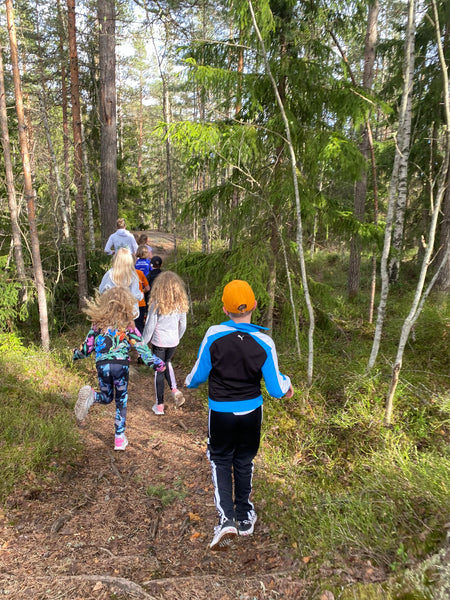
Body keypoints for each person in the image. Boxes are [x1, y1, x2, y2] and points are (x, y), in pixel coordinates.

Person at [185, 279, 293, 551]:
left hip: (220, 413)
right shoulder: (264, 341)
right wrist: (288, 386)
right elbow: (276, 388)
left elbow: (198, 375)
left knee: (221, 460)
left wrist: (188, 383)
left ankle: (226, 520)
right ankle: (245, 516)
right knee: (244, 460)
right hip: (251, 412)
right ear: (254, 305)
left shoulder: (213, 335)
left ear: (224, 309)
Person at [73, 287, 165, 451]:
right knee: (120, 401)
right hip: (120, 367)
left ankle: (92, 397)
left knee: (107, 397)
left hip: (102, 366)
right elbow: (142, 349)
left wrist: (75, 355)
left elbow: (86, 349)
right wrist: (158, 364)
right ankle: (119, 439)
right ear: (126, 305)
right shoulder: (128, 326)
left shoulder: (97, 326)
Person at [142, 271, 189, 415]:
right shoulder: (180, 304)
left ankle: (160, 405)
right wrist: (177, 338)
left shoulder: (156, 304)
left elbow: (150, 325)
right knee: (167, 363)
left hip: (160, 342)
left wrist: (143, 343)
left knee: (159, 371)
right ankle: (174, 390)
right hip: (173, 341)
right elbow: (183, 324)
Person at [99, 247, 142, 319]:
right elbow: (135, 294)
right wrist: (141, 295)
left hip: (112, 310)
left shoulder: (110, 274)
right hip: (128, 312)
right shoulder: (132, 275)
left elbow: (101, 290)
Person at [135, 268, 150, 336]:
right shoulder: (140, 273)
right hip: (140, 303)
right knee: (139, 325)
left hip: (128, 304)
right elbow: (147, 288)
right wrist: (141, 292)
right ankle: (139, 342)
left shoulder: (122, 273)